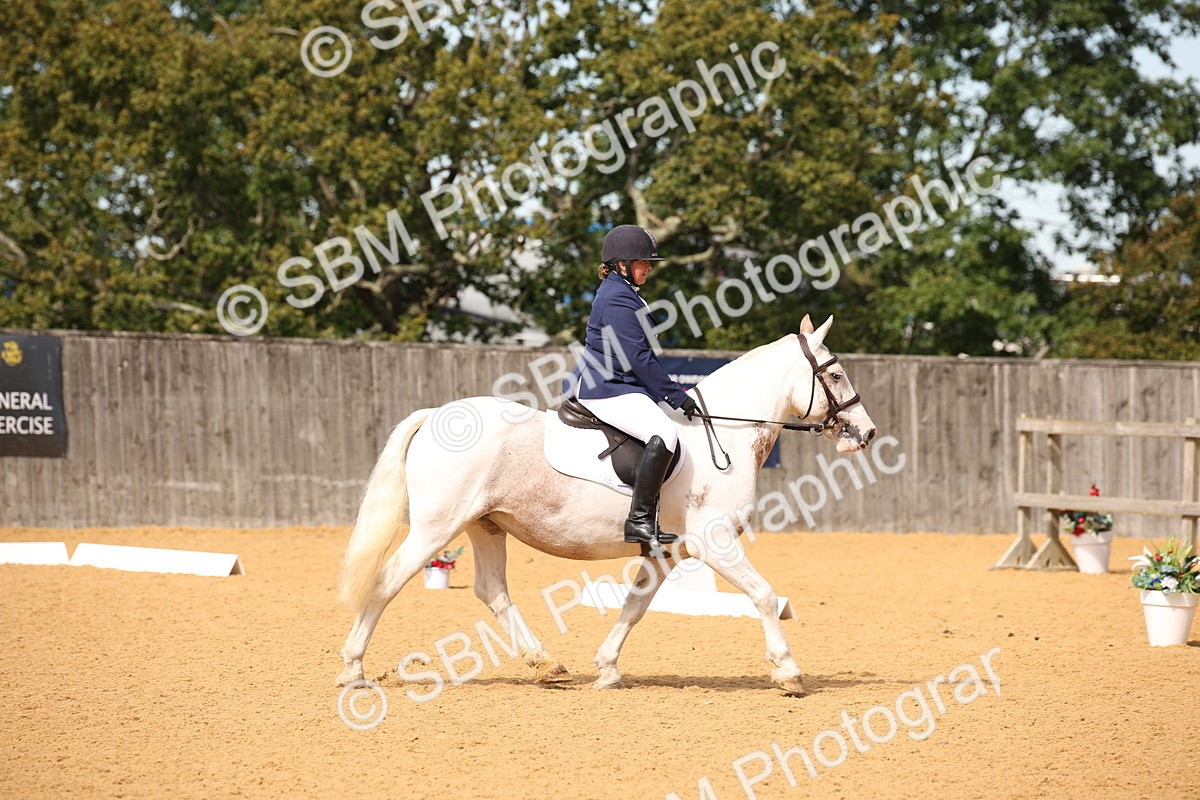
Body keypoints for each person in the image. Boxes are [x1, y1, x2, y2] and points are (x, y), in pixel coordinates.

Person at [562, 224, 700, 545]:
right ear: (621, 264)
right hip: (607, 389)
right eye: (643, 262)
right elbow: (640, 359)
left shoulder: (624, 294)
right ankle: (638, 521)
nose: (649, 267)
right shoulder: (617, 300)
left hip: (621, 385)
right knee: (664, 433)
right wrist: (676, 396)